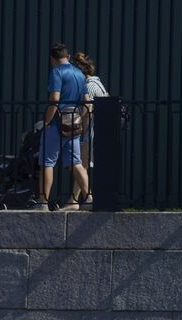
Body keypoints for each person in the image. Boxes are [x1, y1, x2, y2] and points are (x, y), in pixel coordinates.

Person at [33, 43, 90, 211]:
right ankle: (89, 197)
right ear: (68, 57)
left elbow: (55, 100)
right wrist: (80, 118)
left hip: (57, 123)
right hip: (74, 122)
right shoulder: (80, 73)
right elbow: (87, 102)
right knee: (76, 162)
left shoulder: (57, 72)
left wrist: (47, 122)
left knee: (47, 162)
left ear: (52, 59)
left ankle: (43, 202)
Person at [73, 51, 106, 207]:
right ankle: (74, 199)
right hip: (98, 129)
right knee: (82, 164)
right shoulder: (95, 83)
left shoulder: (89, 85)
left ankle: (85, 198)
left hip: (92, 130)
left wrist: (81, 132)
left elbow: (87, 110)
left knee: (81, 163)